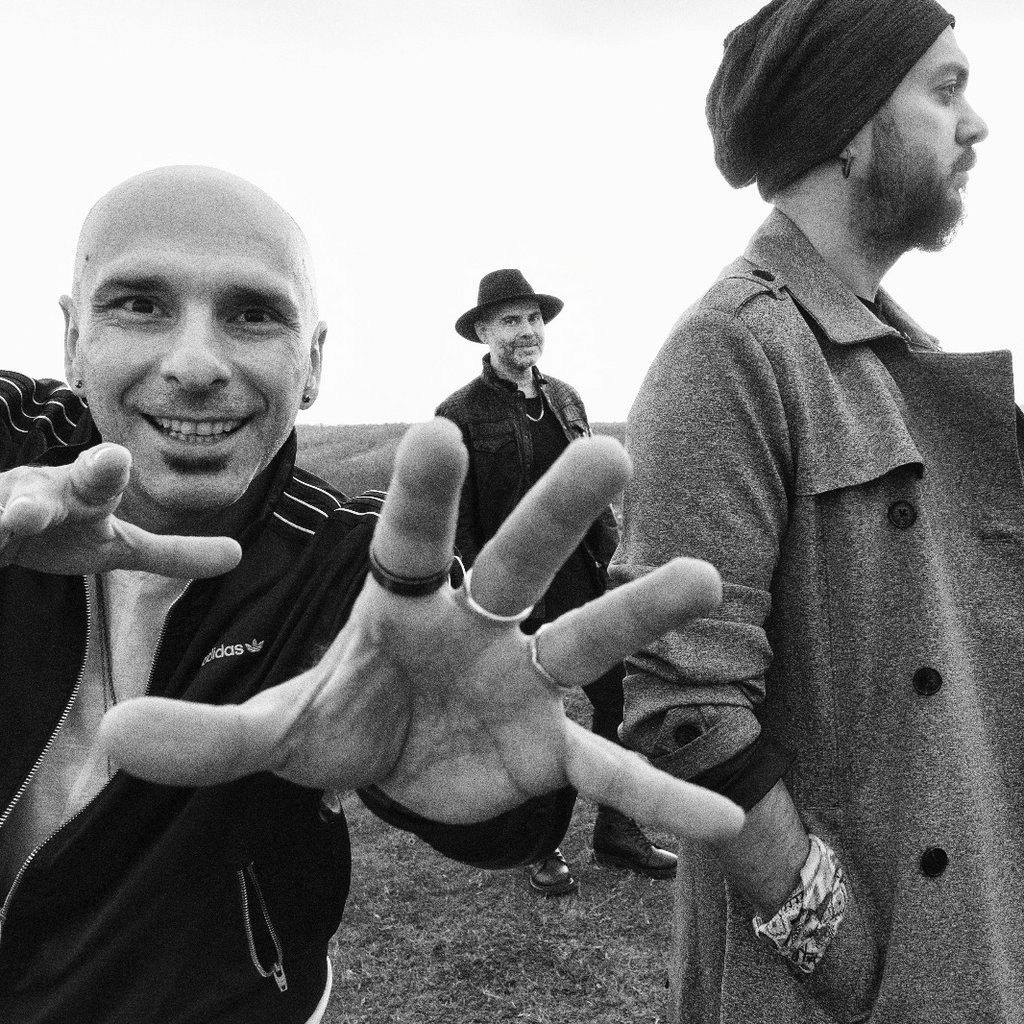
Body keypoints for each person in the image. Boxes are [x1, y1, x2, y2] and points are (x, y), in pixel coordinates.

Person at [0, 166, 741, 1024]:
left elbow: (455, 741)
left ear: (311, 362)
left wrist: (504, 793)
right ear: (71, 336)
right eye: (139, 304)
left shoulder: (340, 561)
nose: (196, 364)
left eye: (252, 313)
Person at [610, 2, 1014, 1022]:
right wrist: (848, 954)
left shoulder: (883, 351)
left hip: (966, 938)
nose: (976, 126)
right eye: (945, 89)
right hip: (844, 991)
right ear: (847, 122)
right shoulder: (734, 348)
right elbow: (684, 709)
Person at [436, 269, 678, 896]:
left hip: (583, 583)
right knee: (530, 722)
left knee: (619, 702)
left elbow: (595, 498)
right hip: (510, 595)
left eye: (533, 319)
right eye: (510, 320)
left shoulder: (567, 401)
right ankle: (538, 845)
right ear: (484, 332)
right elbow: (455, 518)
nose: (526, 331)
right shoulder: (459, 414)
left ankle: (619, 831)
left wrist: (618, 555)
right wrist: (464, 595)